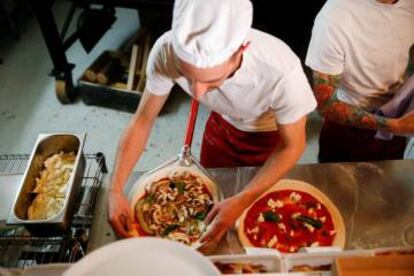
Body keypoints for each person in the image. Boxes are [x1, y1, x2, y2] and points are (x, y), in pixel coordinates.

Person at [108, 0, 317, 245]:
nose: (197, 93)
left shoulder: (282, 72)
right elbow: (142, 120)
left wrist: (241, 200)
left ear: (241, 50)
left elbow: (292, 146)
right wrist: (115, 189)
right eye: (188, 77)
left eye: (212, 81)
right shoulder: (166, 50)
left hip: (270, 138)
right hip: (221, 124)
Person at [305, 0, 414, 163]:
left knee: (385, 185)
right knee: (338, 186)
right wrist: (393, 125)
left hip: (397, 120)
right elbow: (326, 105)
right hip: (349, 130)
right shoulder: (334, 17)